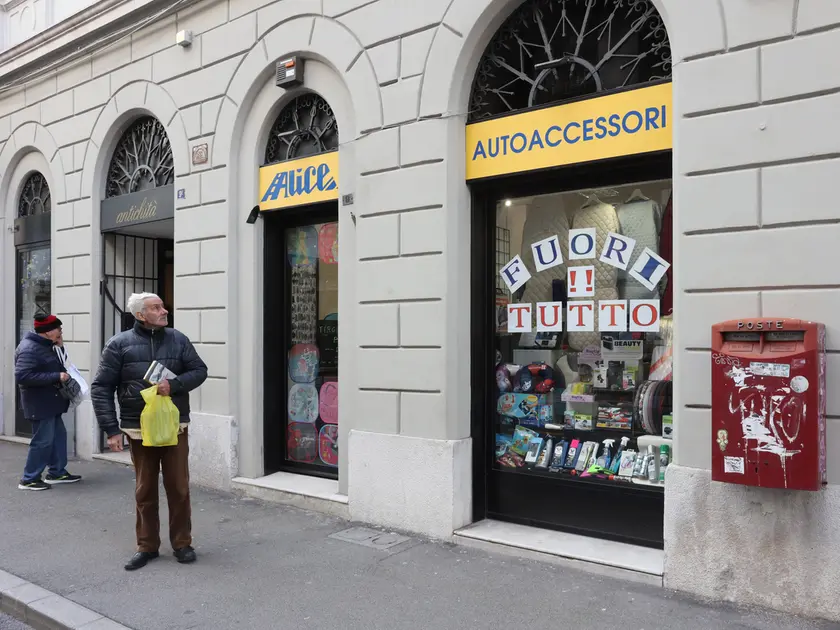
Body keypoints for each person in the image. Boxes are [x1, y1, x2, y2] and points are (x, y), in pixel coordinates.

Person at [91, 293, 207, 571]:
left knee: (179, 487)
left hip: (174, 426)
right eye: (156, 308)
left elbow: (199, 370)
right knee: (145, 489)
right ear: (140, 315)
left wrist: (175, 384)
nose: (164, 310)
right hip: (137, 427)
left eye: (162, 306)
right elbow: (101, 387)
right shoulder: (118, 345)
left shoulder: (178, 339)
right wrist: (111, 429)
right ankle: (147, 546)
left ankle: (182, 543)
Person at [16, 315, 82, 491]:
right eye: (58, 329)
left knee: (58, 438)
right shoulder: (30, 349)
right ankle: (29, 479)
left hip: (51, 402)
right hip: (40, 403)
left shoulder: (47, 346)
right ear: (48, 331)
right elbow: (22, 376)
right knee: (42, 441)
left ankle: (57, 472)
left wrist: (61, 348)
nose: (61, 332)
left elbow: (62, 366)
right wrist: (55, 376)